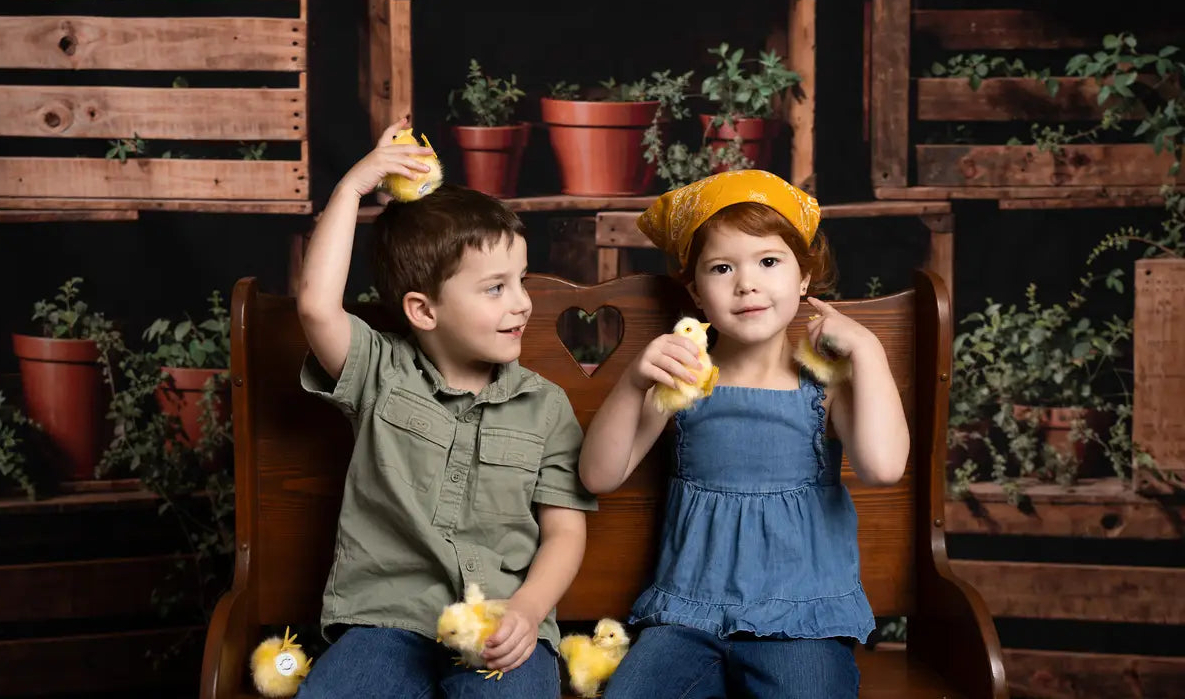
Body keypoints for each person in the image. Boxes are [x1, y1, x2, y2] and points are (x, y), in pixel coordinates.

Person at [295, 117, 596, 698]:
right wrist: (352, 189)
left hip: (502, 624)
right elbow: (316, 307)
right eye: (494, 288)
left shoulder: (544, 406)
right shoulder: (380, 374)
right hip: (386, 621)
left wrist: (529, 611)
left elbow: (564, 531)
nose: (523, 304)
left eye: (521, 280)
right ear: (424, 311)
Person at [578, 170, 909, 698]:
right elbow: (598, 475)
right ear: (696, 292)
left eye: (769, 262)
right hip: (688, 614)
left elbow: (884, 466)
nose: (747, 283)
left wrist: (868, 351)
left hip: (800, 620)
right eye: (722, 267)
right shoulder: (684, 379)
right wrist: (634, 381)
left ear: (804, 278)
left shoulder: (826, 383)